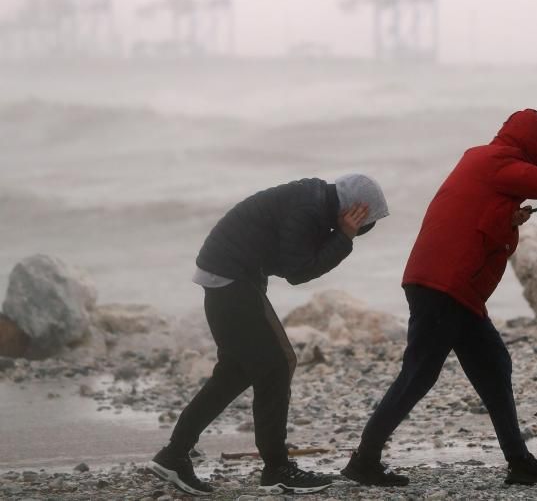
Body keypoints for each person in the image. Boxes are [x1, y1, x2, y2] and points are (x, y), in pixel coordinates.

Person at [341, 109, 537, 487]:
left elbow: (473, 220)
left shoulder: (481, 161)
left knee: (494, 366)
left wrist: (506, 218)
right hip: (443, 286)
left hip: (454, 289)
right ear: (529, 145)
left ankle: (520, 462)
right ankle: (364, 460)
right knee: (418, 375)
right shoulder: (496, 162)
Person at [150, 175, 389, 496]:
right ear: (355, 209)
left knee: (235, 373)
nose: (363, 230)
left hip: (229, 277)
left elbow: (283, 257)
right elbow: (298, 271)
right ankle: (277, 469)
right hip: (230, 279)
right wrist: (343, 237)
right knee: (278, 364)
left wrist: (339, 234)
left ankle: (173, 454)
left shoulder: (316, 203)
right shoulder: (309, 208)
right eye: (364, 223)